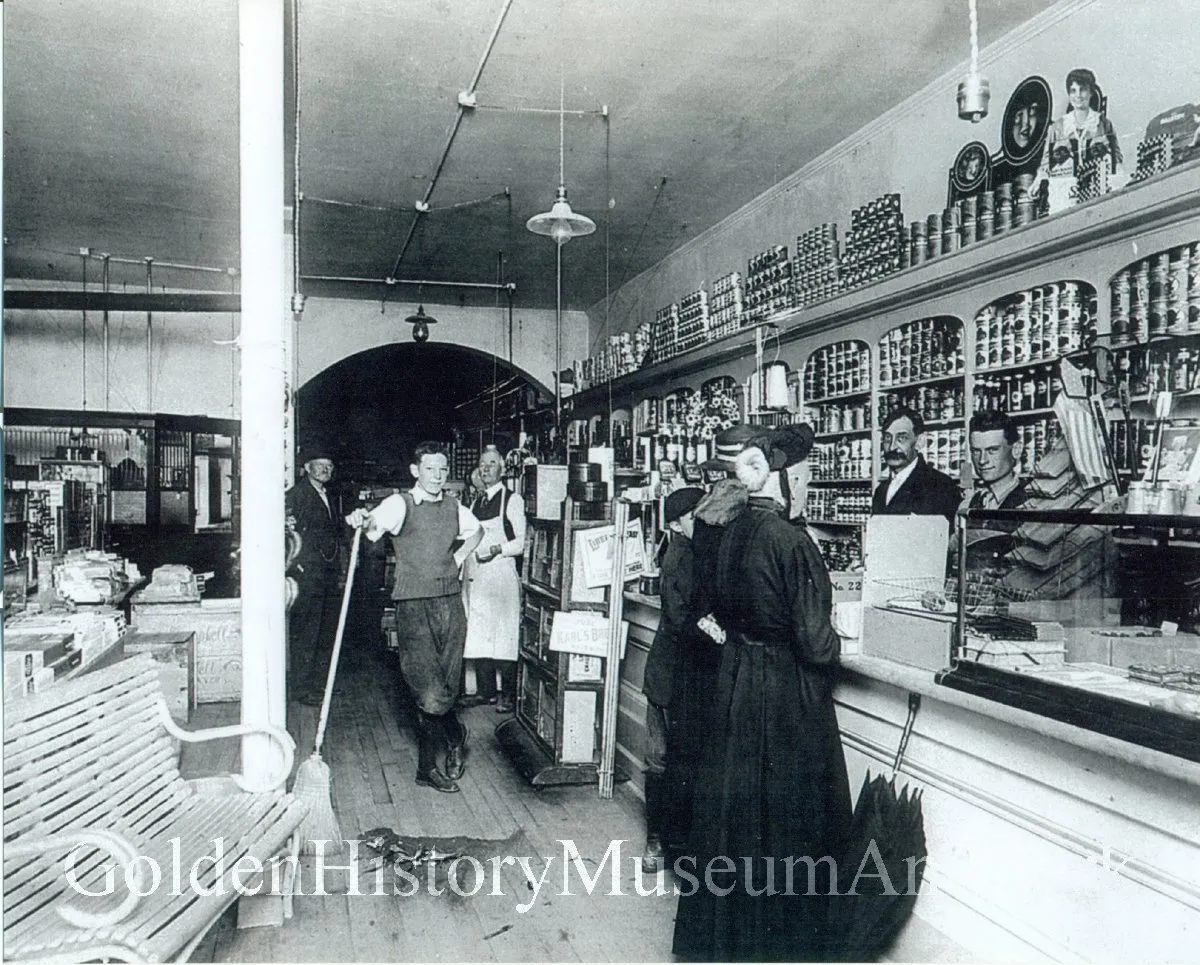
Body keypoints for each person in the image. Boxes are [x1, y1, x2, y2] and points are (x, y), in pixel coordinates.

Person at [673, 429, 853, 963]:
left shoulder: (727, 532)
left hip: (737, 681)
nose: (804, 481)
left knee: (735, 822)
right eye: (799, 472)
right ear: (777, 475)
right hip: (783, 690)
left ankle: (732, 942)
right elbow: (818, 646)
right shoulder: (792, 541)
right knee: (787, 825)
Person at [348, 441, 483, 794]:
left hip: (451, 604)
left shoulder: (455, 506)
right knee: (427, 687)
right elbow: (373, 523)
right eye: (429, 469)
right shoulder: (400, 503)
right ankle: (427, 769)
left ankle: (454, 735)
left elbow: (477, 531)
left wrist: (457, 559)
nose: (437, 476)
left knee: (448, 684)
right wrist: (361, 518)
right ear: (415, 471)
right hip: (413, 604)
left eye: (442, 469)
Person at [640, 486, 719, 873]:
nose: (703, 521)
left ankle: (670, 842)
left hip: (680, 674)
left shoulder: (695, 548)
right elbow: (682, 618)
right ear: (675, 523)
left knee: (676, 761)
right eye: (694, 515)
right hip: (670, 675)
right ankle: (657, 841)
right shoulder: (680, 555)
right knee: (661, 760)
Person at [459, 445, 526, 714]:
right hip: (477, 578)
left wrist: (497, 549)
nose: (485, 468)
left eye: (491, 464)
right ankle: (485, 692)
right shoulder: (477, 501)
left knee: (504, 637)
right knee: (480, 634)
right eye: (482, 464)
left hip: (500, 578)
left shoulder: (512, 500)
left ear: (502, 468)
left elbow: (521, 542)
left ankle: (507, 695)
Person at [285, 448, 345, 707]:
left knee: (324, 631)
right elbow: (288, 536)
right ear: (307, 467)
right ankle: (301, 689)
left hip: (327, 573)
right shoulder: (295, 495)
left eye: (329, 466)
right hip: (307, 575)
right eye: (320, 465)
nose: (325, 470)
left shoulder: (328, 494)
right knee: (306, 632)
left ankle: (321, 685)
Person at [1035, 68, 1125, 211]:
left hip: (1096, 189)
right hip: (1067, 193)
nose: (1078, 96)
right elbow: (1046, 161)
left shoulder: (1103, 124)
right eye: (1073, 91)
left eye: (1082, 90)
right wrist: (1038, 181)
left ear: (1091, 92)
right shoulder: (1058, 127)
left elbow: (1117, 160)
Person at [871, 406, 962, 522]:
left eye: (902, 438)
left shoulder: (941, 486)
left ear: (920, 442)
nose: (892, 447)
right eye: (888, 438)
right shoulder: (880, 490)